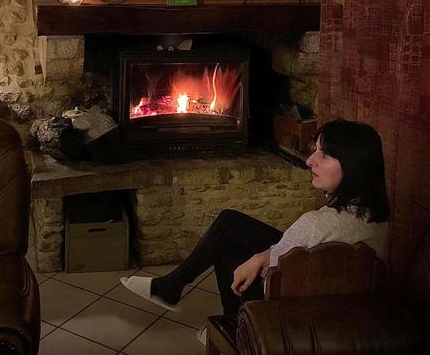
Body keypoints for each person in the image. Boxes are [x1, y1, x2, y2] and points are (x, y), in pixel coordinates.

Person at [121, 119, 390, 324]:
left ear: (353, 166)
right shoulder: (378, 218)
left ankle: (234, 325)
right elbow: (288, 253)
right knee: (230, 223)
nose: (310, 161)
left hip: (289, 308)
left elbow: (275, 275)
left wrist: (256, 261)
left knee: (229, 252)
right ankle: (173, 286)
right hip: (335, 306)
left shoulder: (314, 224)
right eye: (315, 150)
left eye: (324, 155)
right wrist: (263, 256)